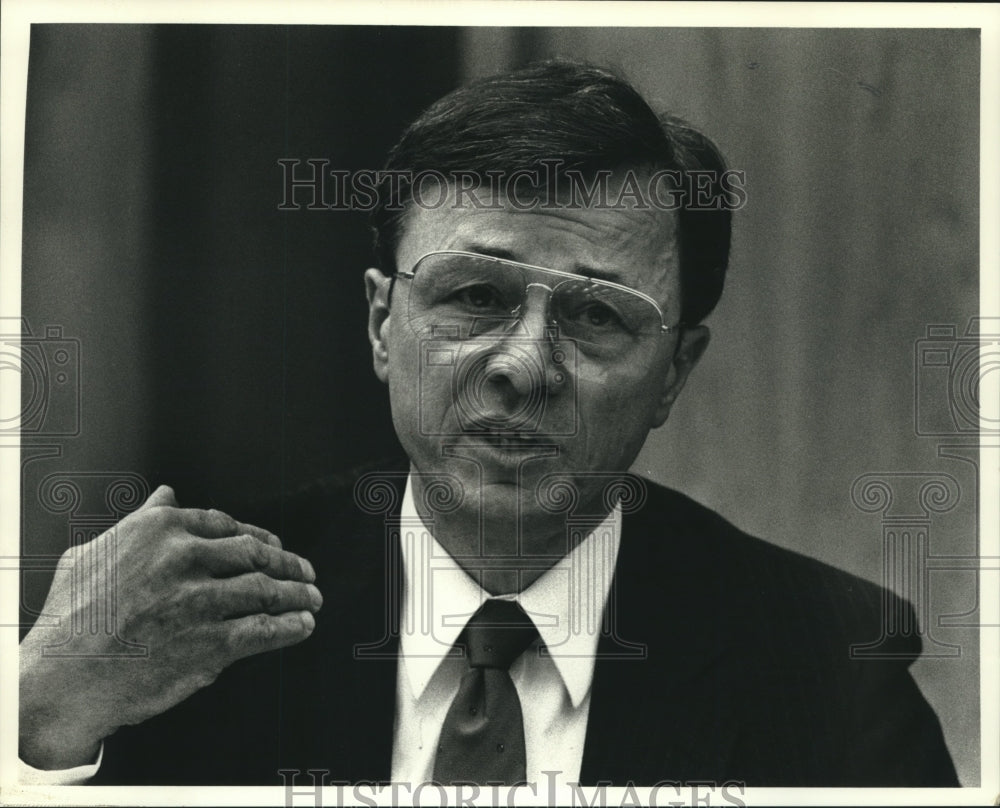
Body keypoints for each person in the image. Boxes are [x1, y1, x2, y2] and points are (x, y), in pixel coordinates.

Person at [18, 59, 958, 790]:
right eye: (474, 295)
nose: (524, 365)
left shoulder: (827, 671)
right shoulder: (196, 625)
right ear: (384, 324)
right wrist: (35, 716)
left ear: (675, 372)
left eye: (597, 315)